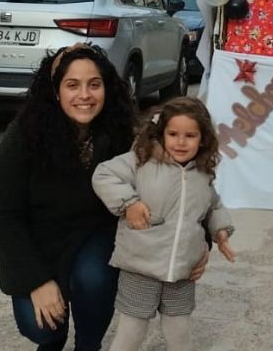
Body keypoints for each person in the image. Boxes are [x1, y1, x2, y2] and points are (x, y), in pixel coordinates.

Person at [0, 45, 208, 351]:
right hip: (38, 243)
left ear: (107, 87)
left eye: (94, 84)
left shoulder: (125, 134)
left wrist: (202, 241)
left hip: (97, 237)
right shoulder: (24, 135)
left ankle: (88, 346)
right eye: (72, 85)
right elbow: (2, 213)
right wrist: (36, 281)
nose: (85, 95)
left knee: (95, 279)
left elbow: (182, 182)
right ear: (55, 90)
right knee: (43, 330)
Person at [92, 97, 235, 351]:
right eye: (173, 134)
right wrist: (129, 203)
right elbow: (104, 174)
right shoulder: (141, 160)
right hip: (141, 267)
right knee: (132, 332)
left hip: (182, 270)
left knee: (180, 333)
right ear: (161, 133)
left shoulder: (201, 173)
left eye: (190, 135)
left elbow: (213, 205)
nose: (181, 142)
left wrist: (221, 231)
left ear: (203, 139)